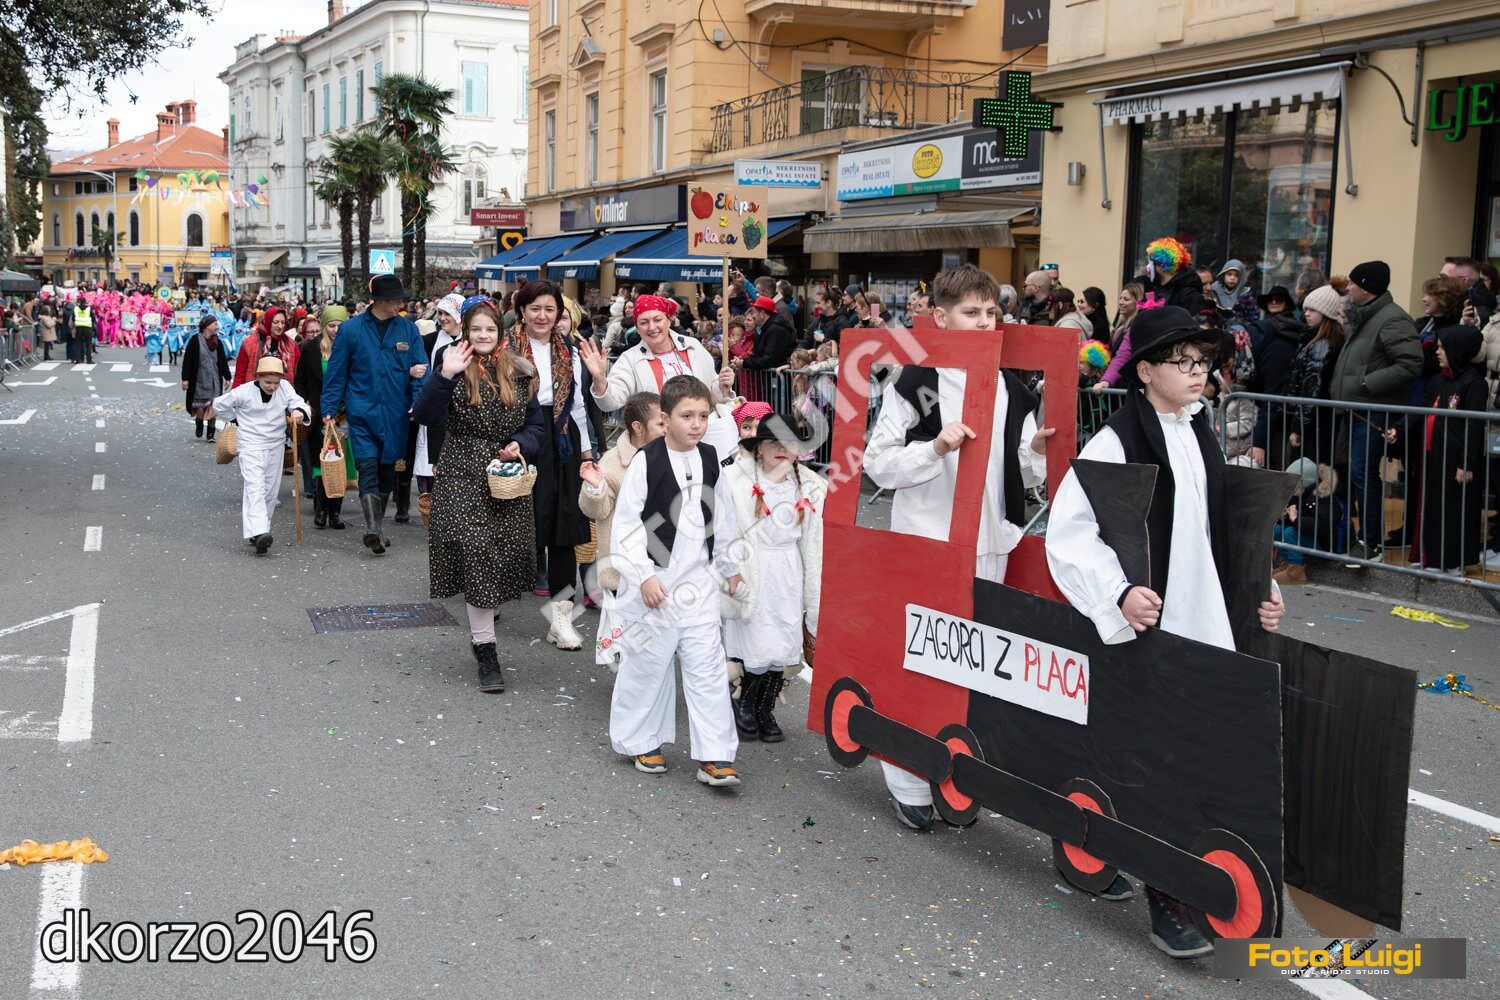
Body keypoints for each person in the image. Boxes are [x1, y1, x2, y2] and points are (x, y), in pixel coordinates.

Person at [1045, 304, 1286, 960]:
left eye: (1202, 361)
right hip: (1154, 623)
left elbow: (1220, 530)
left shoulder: (1200, 431)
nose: (1197, 372)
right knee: (1157, 759)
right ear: (1146, 371)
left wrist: (1261, 592)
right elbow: (1070, 534)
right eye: (1181, 361)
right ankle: (1165, 895)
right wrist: (1118, 593)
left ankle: (1135, 859)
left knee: (1193, 754)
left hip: (1205, 621)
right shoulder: (1116, 442)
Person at [863, 263, 1053, 831]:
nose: (985, 321)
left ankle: (955, 772)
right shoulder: (915, 383)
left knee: (973, 667)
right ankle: (907, 781)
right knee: (921, 662)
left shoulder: (1009, 387)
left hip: (990, 544)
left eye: (991, 312)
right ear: (941, 319)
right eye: (972, 312)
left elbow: (1018, 468)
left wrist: (1038, 453)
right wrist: (935, 449)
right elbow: (877, 463)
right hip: (928, 541)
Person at [607, 375, 745, 787]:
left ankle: (715, 755)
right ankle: (641, 740)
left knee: (708, 670)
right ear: (665, 419)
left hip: (698, 583)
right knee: (647, 665)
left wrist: (729, 564)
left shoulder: (710, 458)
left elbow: (724, 515)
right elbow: (627, 525)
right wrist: (644, 576)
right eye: (687, 416)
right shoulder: (646, 461)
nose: (697, 424)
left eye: (703, 415)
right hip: (655, 583)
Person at [414, 301, 547, 692]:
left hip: (504, 474)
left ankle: (484, 625)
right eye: (476, 329)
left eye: (490, 329)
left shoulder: (520, 371)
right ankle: (486, 650)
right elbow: (424, 414)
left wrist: (520, 443)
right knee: (476, 554)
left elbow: (536, 426)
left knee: (502, 554)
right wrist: (444, 376)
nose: (484, 335)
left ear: (500, 333)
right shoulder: (452, 365)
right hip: (461, 471)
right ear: (466, 332)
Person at [506, 280, 600, 648]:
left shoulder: (569, 351)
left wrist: (587, 452)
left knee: (564, 529)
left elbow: (577, 406)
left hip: (562, 439)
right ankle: (487, 601)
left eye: (550, 309)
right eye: (535, 308)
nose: (542, 316)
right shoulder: (504, 349)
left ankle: (560, 620)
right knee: (513, 523)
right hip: (519, 437)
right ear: (522, 311)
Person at [722, 412, 826, 744]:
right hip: (753, 568)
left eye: (789, 444)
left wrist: (814, 593)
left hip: (788, 572)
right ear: (758, 448)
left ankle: (765, 708)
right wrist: (731, 570)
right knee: (755, 642)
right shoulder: (735, 482)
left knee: (782, 642)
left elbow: (814, 544)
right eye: (773, 444)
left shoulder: (810, 486)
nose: (781, 450)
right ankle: (746, 703)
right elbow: (725, 530)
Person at [1328, 261, 1422, 561]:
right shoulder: (1367, 316)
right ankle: (1362, 539)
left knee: (1363, 473)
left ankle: (1370, 543)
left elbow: (1410, 363)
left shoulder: (1392, 319)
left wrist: (1366, 384)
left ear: (1366, 288)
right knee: (1356, 473)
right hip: (1356, 409)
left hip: (1372, 411)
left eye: (1353, 283)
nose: (1348, 288)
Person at [322, 274, 422, 555]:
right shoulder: (351, 330)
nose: (400, 305)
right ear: (379, 301)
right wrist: (329, 408)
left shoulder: (408, 330)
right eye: (396, 300)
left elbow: (421, 369)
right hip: (362, 411)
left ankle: (377, 529)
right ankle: (372, 529)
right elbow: (336, 372)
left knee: (387, 471)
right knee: (367, 467)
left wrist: (417, 401)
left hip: (396, 413)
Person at [579, 292, 738, 459]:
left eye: (657, 319)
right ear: (637, 328)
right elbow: (610, 402)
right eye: (644, 322)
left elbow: (712, 391)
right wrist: (599, 378)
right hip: (660, 446)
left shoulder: (693, 346)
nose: (652, 327)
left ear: (668, 320)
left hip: (701, 437)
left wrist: (722, 385)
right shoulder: (630, 359)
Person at [1387, 324, 1489, 575]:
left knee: (1453, 509)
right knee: (1431, 507)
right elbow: (1421, 410)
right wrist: (1398, 429)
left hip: (1455, 458)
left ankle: (1451, 560)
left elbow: (1474, 427)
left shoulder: (1474, 384)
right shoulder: (1438, 380)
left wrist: (1466, 463)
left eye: (1442, 348)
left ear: (1456, 350)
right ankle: (1429, 556)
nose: (1438, 352)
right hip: (1432, 455)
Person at [579, 392, 665, 671]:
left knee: (658, 633)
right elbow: (598, 510)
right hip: (624, 566)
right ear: (638, 427)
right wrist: (595, 487)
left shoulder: (672, 454)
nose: (667, 428)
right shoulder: (613, 463)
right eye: (660, 423)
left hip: (662, 558)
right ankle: (631, 680)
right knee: (629, 637)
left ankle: (651, 677)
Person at [213, 357, 311, 555]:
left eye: (276, 382)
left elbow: (298, 403)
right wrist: (236, 418)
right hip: (250, 444)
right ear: (258, 377)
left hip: (275, 444)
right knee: (255, 486)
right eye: (268, 382)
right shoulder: (243, 392)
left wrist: (299, 412)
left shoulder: (285, 388)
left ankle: (259, 530)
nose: (272, 387)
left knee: (270, 490)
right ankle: (259, 532)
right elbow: (219, 405)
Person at [294, 304, 352, 531]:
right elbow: (300, 379)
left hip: (343, 414)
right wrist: (303, 404)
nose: (336, 330)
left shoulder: (350, 347)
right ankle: (320, 510)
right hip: (319, 413)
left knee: (339, 462)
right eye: (331, 326)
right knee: (321, 462)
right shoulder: (311, 348)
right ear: (324, 326)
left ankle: (335, 512)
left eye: (340, 326)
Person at [1284, 282, 1347, 468]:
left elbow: (1312, 389)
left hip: (1314, 424)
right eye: (1305, 309)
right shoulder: (1319, 339)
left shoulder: (1322, 344)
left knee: (1304, 472)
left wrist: (1299, 428)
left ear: (1326, 313)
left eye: (1312, 310)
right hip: (1319, 421)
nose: (1307, 314)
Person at [411, 293, 464, 506]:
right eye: (440, 313)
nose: (442, 318)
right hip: (436, 407)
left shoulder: (470, 341)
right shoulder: (430, 341)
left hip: (460, 411)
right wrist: (412, 371)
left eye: (447, 314)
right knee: (430, 458)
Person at [1248, 285, 1309, 467]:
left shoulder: (1281, 339)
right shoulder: (1267, 330)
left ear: (1287, 303)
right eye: (1270, 299)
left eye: (1279, 299)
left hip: (1281, 418)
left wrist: (1259, 440)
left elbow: (1273, 394)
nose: (1274, 302)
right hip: (1273, 414)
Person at [181, 315, 231, 442]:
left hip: (214, 379)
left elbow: (222, 361)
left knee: (213, 406)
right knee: (200, 406)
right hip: (199, 379)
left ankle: (210, 433)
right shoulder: (195, 341)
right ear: (207, 326)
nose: (216, 326)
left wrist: (227, 377)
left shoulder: (217, 342)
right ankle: (199, 422)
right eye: (214, 324)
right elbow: (188, 361)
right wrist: (185, 379)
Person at [232, 307, 300, 389]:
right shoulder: (249, 344)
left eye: (283, 322)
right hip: (254, 392)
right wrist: (236, 392)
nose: (280, 326)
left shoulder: (291, 345)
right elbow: (240, 374)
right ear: (268, 321)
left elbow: (297, 375)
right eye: (276, 322)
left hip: (282, 392)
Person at [1138, 238, 1206, 316]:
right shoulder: (1152, 288)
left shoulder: (1190, 295)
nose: (1147, 267)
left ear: (1161, 266)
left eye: (1150, 263)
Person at [738, 295, 797, 373]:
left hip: (777, 377)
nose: (753, 316)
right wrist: (744, 360)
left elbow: (769, 360)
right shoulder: (763, 328)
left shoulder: (776, 330)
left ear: (762, 314)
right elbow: (758, 355)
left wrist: (744, 363)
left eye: (754, 312)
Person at [1210, 260, 1260, 326]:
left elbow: (1253, 316)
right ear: (1223, 274)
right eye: (1229, 274)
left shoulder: (1246, 294)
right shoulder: (1215, 289)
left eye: (1236, 275)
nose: (1232, 278)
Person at [72, 296, 95, 364]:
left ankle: (78, 359)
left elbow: (73, 318)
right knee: (88, 344)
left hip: (78, 327)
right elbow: (93, 318)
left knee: (78, 344)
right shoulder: (89, 308)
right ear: (85, 302)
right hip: (88, 327)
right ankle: (89, 360)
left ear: (79, 302)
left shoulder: (75, 309)